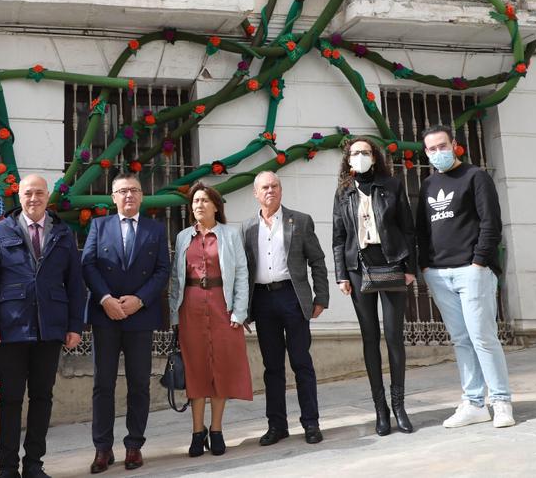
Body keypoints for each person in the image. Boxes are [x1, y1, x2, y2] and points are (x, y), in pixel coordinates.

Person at [0, 174, 87, 478]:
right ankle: (8, 467)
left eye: (39, 193)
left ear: (47, 196)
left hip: (50, 328)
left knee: (42, 397)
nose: (34, 198)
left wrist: (75, 326)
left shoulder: (63, 233)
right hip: (11, 329)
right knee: (10, 399)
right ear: (19, 196)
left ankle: (34, 464)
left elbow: (75, 285)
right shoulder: (1, 231)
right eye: (28, 193)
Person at [415, 124, 514, 429]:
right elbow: (422, 229)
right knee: (461, 339)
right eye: (431, 149)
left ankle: (501, 401)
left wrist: (479, 263)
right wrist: (426, 267)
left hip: (472, 272)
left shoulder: (476, 177)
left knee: (482, 337)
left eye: (442, 146)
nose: (437, 153)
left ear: (454, 145)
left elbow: (490, 223)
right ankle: (473, 403)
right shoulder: (428, 186)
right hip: (439, 275)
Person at [81, 173, 171, 473]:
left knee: (139, 384)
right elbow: (88, 264)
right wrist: (106, 299)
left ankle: (134, 445)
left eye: (134, 190)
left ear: (142, 196)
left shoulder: (155, 229)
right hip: (105, 316)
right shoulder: (98, 225)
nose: (129, 195)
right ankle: (102, 449)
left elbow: (162, 270)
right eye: (123, 191)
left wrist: (140, 300)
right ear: (113, 197)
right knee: (102, 384)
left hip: (140, 316)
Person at [331, 138, 417, 435]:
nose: (360, 156)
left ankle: (399, 406)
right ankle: (380, 410)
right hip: (358, 267)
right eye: (355, 153)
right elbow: (339, 237)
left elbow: (407, 227)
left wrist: (410, 268)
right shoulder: (343, 191)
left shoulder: (391, 185)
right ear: (348, 159)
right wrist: (341, 275)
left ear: (375, 156)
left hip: (392, 261)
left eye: (365, 152)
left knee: (394, 337)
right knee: (370, 338)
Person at [241, 171, 328, 446]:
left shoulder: (300, 221)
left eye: (275, 186)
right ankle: (277, 425)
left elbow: (317, 261)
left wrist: (321, 298)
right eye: (265, 187)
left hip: (292, 297)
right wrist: (241, 308)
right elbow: (242, 271)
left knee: (302, 362)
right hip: (263, 302)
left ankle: (311, 424)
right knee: (272, 367)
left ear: (281, 189)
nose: (271, 190)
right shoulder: (246, 227)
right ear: (256, 193)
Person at [167, 181, 251, 458]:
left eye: (204, 200)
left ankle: (216, 430)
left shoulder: (230, 234)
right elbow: (176, 279)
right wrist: (173, 315)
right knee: (196, 370)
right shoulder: (182, 237)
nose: (198, 205)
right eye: (195, 201)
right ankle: (196, 432)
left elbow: (241, 273)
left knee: (221, 370)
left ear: (216, 205)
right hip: (190, 306)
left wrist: (240, 311)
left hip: (221, 306)